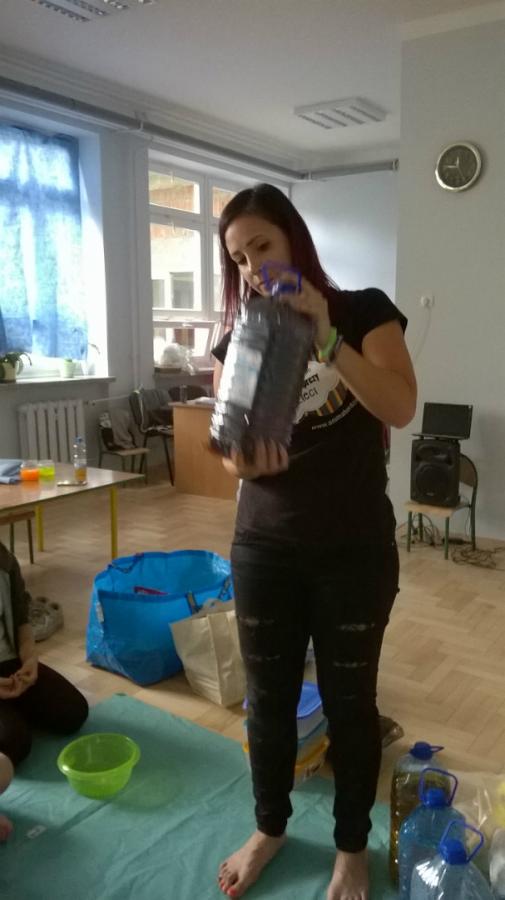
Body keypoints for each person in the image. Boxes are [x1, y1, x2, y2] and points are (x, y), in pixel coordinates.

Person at [212, 184, 417, 900]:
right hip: (264, 548)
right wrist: (244, 462)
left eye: (261, 246)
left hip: (353, 551)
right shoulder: (238, 339)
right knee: (266, 702)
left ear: (293, 239)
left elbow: (399, 405)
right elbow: (230, 455)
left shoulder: (362, 311)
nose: (251, 268)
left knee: (349, 704)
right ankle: (268, 829)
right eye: (238, 259)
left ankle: (351, 848)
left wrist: (325, 334)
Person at [0, 541, 89, 795]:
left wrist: (30, 658)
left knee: (72, 712)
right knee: (13, 742)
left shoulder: (3, 559)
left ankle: (12, 711)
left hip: (8, 661)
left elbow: (21, 620)